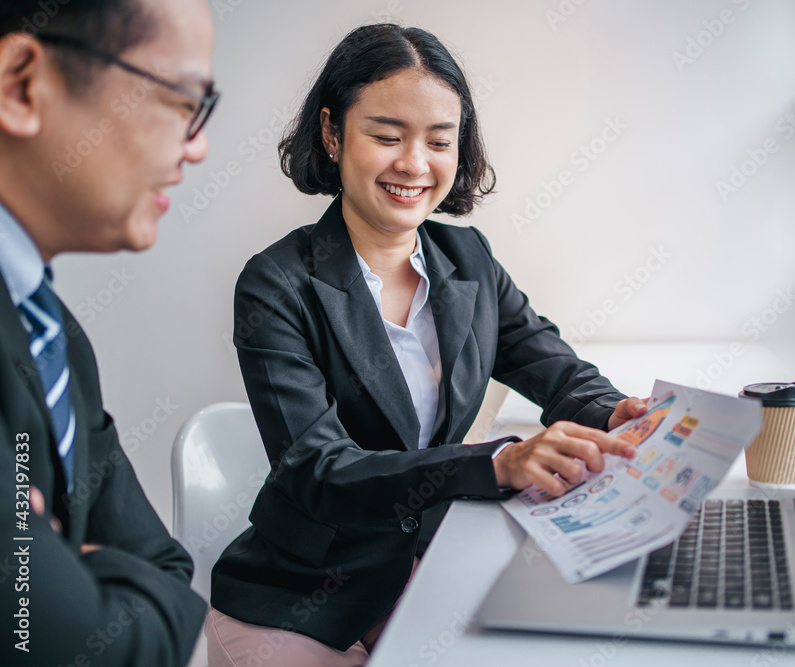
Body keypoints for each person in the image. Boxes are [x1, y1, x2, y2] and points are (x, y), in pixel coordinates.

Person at [208, 23, 648, 666]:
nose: (415, 163)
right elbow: (316, 470)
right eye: (387, 136)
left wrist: (618, 414)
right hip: (300, 599)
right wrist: (492, 464)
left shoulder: (467, 258)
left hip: (421, 576)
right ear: (332, 134)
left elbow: (556, 371)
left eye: (440, 141)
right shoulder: (276, 283)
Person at [0, 0, 218, 664]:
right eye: (184, 102)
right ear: (21, 85)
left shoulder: (54, 334)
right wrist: (73, 574)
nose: (198, 145)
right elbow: (92, 651)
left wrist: (59, 555)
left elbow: (166, 569)